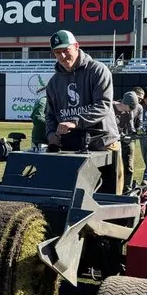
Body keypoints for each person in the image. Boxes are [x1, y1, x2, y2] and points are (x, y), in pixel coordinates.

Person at [44, 29, 123, 194]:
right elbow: (50, 115)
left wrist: (75, 121)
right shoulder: (53, 83)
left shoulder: (97, 70)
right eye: (57, 52)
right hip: (71, 148)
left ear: (76, 46)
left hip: (103, 145)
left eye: (66, 50)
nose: (62, 56)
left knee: (110, 199)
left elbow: (103, 104)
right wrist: (51, 133)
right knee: (70, 198)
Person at [114, 90, 142, 191]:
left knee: (128, 166)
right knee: (115, 167)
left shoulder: (129, 112)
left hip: (126, 141)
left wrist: (137, 133)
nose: (132, 110)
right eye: (131, 107)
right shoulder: (110, 108)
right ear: (125, 103)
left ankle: (127, 189)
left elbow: (131, 128)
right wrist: (119, 135)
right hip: (112, 143)